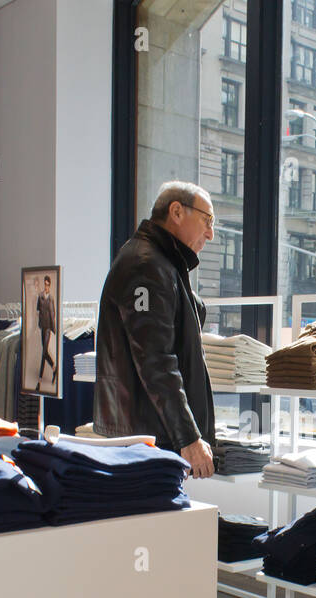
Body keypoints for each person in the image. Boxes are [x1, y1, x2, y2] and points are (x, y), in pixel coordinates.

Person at [93, 181, 216, 477]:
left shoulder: (161, 263)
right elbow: (155, 360)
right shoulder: (146, 265)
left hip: (148, 437)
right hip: (148, 442)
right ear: (176, 211)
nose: (210, 234)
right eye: (207, 220)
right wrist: (187, 437)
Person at [36, 274, 57, 390]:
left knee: (44, 352)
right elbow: (38, 310)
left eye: (48, 285)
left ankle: (39, 379)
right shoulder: (40, 296)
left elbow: (52, 315)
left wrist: (54, 330)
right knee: (44, 351)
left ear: (50, 285)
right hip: (42, 327)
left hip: (48, 327)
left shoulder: (51, 298)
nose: (46, 286)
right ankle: (54, 367)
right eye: (45, 284)